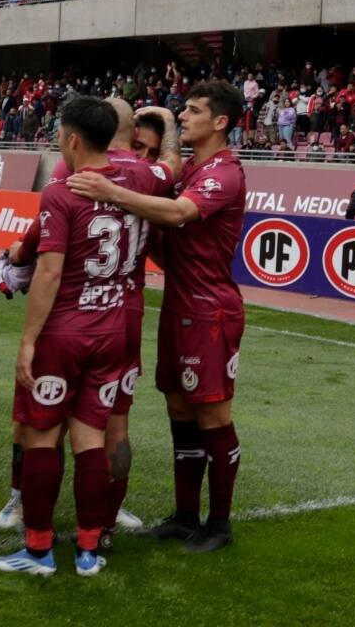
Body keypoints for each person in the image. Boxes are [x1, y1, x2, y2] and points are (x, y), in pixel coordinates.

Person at [0, 98, 171, 578]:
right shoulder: (142, 180)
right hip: (116, 327)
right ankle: (90, 550)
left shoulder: (62, 191)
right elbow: (170, 169)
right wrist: (168, 125)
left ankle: (39, 550)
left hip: (67, 329)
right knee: (92, 438)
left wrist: (28, 340)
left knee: (43, 435)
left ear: (71, 139)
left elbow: (47, 273)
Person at [65, 81, 247, 554]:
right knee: (180, 411)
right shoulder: (193, 169)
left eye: (193, 110)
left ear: (220, 122)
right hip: (179, 305)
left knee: (213, 415)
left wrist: (111, 192)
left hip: (210, 310)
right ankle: (186, 515)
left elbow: (179, 212)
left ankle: (220, 523)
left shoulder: (223, 173)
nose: (184, 116)